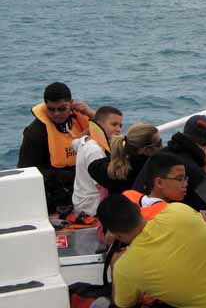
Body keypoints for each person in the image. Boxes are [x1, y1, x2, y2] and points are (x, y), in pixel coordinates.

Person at [97, 194, 206, 308]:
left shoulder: (126, 267)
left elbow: (121, 304)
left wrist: (114, 265)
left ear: (116, 234)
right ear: (138, 209)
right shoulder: (177, 211)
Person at [17, 82, 96, 211]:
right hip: (56, 189)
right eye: (51, 109)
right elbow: (26, 170)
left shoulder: (84, 119)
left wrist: (92, 114)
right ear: (45, 106)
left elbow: (109, 135)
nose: (56, 114)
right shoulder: (35, 133)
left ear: (71, 103)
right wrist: (65, 176)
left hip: (86, 183)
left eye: (62, 108)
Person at [132, 114, 206, 212]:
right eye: (181, 179)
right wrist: (204, 169)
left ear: (184, 133)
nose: (185, 183)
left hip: (137, 215)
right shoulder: (195, 171)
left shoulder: (158, 155)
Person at [72, 106, 124, 216]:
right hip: (91, 207)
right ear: (99, 124)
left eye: (120, 125)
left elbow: (74, 143)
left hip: (80, 200)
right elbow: (102, 186)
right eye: (114, 124)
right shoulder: (95, 150)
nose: (119, 129)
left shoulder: (84, 141)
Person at [88, 123, 161, 195]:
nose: (162, 146)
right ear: (146, 150)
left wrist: (118, 156)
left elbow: (92, 167)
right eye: (159, 143)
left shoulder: (114, 170)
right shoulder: (154, 168)